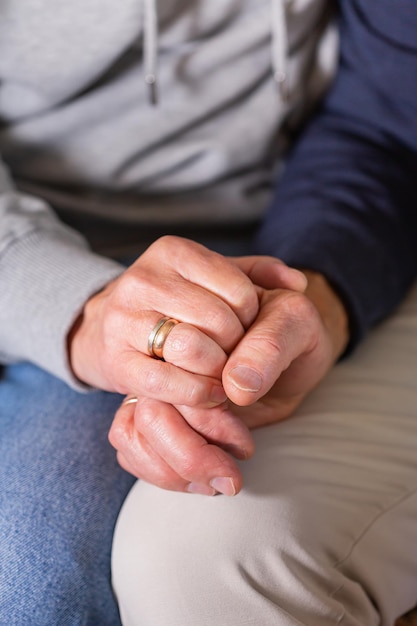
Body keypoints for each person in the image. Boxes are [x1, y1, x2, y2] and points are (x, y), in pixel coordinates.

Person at [0, 1, 417, 625]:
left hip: (274, 239)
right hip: (40, 253)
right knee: (28, 588)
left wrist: (310, 305)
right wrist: (84, 312)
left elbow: (383, 118)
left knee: (43, 588)